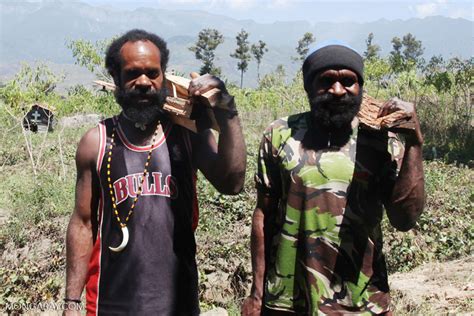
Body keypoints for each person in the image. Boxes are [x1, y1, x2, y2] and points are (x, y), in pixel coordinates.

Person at [64, 29, 246, 315]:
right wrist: (71, 302)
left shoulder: (188, 136)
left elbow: (232, 183)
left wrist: (228, 111)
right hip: (109, 302)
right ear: (116, 79)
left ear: (164, 76)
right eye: (133, 73)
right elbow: (82, 223)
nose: (144, 82)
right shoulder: (97, 142)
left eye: (152, 72)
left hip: (177, 301)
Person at [242, 41, 425, 315]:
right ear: (308, 86)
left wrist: (415, 143)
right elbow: (264, 214)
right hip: (288, 300)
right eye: (326, 81)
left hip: (361, 300)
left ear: (360, 87)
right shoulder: (280, 134)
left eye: (348, 81)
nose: (338, 91)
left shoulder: (381, 142)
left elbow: (404, 219)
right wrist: (257, 292)